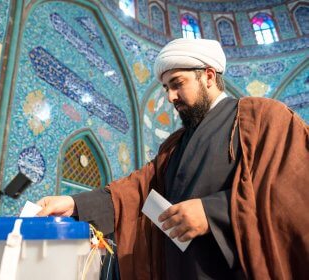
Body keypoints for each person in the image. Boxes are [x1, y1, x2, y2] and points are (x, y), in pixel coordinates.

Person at [37, 39, 309, 280]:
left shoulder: (262, 117)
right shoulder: (174, 145)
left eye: (177, 84)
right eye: (166, 87)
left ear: (209, 76)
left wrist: (214, 213)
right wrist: (74, 204)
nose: (170, 97)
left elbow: (294, 189)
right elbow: (136, 191)